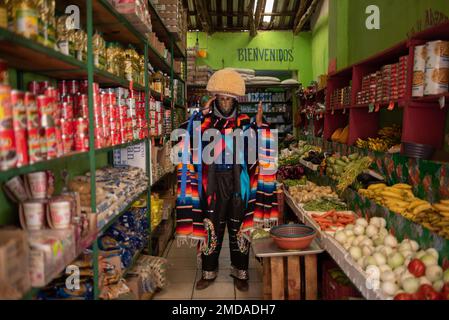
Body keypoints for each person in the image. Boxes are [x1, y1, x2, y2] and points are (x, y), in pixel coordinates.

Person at [174, 69, 279, 292]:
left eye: (229, 98)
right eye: (221, 98)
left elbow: (261, 147)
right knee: (211, 225)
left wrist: (260, 126)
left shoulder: (244, 122)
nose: (225, 102)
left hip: (238, 182)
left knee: (238, 225)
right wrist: (200, 114)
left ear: (235, 100)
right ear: (215, 100)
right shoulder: (205, 122)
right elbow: (182, 135)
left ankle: (240, 272)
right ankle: (208, 272)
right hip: (211, 183)